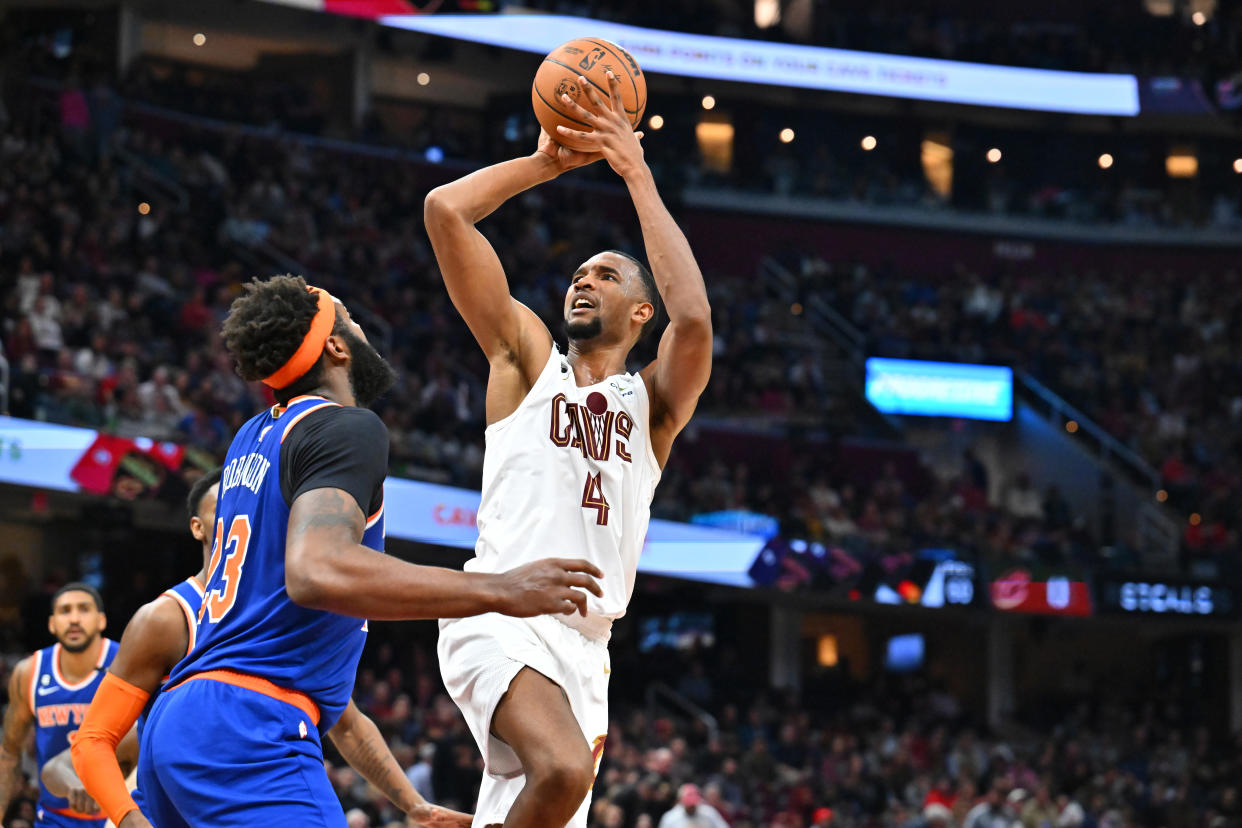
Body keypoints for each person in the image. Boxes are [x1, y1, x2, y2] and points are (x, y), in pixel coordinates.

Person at [130, 275, 605, 828]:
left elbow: (338, 704)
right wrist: (502, 589)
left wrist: (412, 807)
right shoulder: (345, 427)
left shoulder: (253, 436)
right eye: (351, 320)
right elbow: (317, 571)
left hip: (183, 718)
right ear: (335, 346)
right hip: (251, 725)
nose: (360, 329)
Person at [425, 70, 712, 828]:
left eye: (607, 276)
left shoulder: (650, 407)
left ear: (640, 311)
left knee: (530, 807)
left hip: (588, 649)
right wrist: (546, 164)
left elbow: (696, 322)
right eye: (580, 273)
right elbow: (446, 211)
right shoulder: (525, 360)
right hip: (500, 608)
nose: (584, 281)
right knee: (559, 771)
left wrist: (635, 172)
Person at [0, 583, 117, 827]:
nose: (74, 619)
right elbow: (9, 752)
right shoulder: (29, 672)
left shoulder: (124, 665)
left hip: (117, 816)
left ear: (101, 621)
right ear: (52, 623)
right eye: (65, 611)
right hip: (55, 817)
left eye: (84, 609)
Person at [657, 785, 729, 828]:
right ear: (681, 801)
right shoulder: (670, 817)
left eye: (693, 803)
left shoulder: (709, 812)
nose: (691, 806)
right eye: (688, 803)